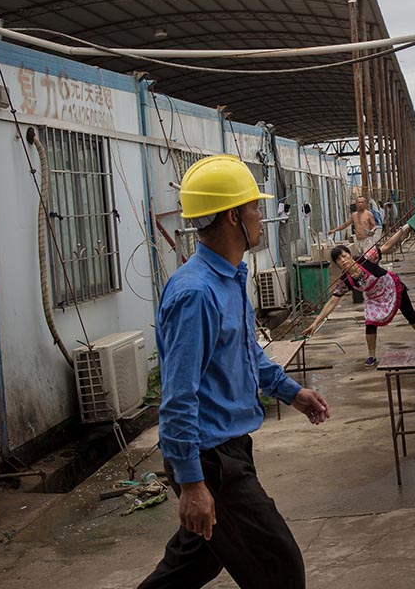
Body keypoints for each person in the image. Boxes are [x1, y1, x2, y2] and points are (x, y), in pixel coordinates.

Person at [140, 155, 331, 589]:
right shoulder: (196, 293)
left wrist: (290, 392)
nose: (261, 217)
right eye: (254, 208)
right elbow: (178, 396)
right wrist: (191, 483)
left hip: (231, 448)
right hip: (210, 459)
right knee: (280, 567)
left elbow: (246, 355)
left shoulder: (228, 278)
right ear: (232, 216)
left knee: (199, 560)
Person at [302, 225, 415, 367]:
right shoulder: (345, 281)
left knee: (411, 315)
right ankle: (371, 356)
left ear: (349, 254)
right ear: (337, 264)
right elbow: (332, 303)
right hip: (375, 298)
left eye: (344, 256)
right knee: (370, 324)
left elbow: (387, 246)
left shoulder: (366, 259)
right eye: (338, 259)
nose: (343, 260)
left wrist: (404, 228)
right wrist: (315, 323)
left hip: (392, 288)